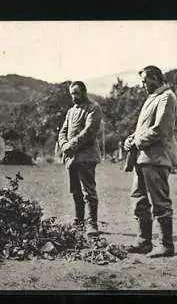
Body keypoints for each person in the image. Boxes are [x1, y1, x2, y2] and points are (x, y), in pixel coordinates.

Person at [123, 65, 177, 258]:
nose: (143, 86)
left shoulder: (167, 97)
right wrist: (131, 139)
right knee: (139, 199)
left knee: (160, 202)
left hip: (156, 158)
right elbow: (144, 128)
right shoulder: (152, 98)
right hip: (143, 157)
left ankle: (166, 245)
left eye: (145, 81)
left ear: (156, 78)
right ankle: (144, 241)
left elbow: (160, 129)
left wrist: (137, 142)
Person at [58, 81, 103, 236]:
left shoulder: (93, 108)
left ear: (84, 92)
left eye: (76, 93)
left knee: (88, 191)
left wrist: (72, 145)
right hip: (71, 157)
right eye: (71, 94)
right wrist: (64, 145)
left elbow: (89, 131)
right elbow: (62, 131)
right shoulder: (71, 111)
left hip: (86, 157)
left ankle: (92, 224)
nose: (74, 97)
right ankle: (79, 221)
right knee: (75, 190)